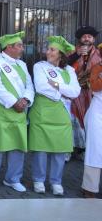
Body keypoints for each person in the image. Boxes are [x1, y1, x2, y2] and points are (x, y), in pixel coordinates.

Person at [0, 31, 34, 193]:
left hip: (19, 111)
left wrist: (25, 100)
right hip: (0, 111)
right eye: (19, 46)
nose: (22, 49)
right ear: (9, 47)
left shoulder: (22, 65)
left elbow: (29, 86)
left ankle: (13, 179)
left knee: (18, 145)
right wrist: (14, 102)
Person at [28, 36, 80, 196]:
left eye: (52, 49)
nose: (48, 52)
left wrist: (57, 85)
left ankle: (56, 182)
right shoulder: (39, 66)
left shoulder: (70, 70)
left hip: (62, 114)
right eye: (48, 49)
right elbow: (42, 87)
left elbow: (76, 91)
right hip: (42, 112)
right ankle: (38, 180)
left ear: (61, 54)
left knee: (60, 149)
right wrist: (63, 94)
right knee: (40, 149)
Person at [68, 26, 101, 160]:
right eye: (84, 36)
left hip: (93, 93)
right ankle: (69, 149)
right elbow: (63, 65)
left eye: (89, 36)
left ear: (93, 39)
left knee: (89, 121)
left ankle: (84, 149)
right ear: (80, 39)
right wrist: (77, 55)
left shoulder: (99, 53)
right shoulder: (72, 52)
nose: (87, 38)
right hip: (74, 92)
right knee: (72, 120)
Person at [82, 43, 102, 198]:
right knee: (95, 149)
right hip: (98, 111)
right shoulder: (97, 68)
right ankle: (90, 187)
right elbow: (94, 87)